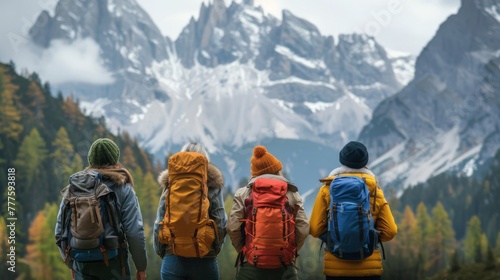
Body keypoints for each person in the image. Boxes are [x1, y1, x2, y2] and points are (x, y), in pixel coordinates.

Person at [55, 138, 148, 280]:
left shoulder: (74, 188)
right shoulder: (123, 188)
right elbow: (134, 232)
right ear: (114, 158)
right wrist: (141, 267)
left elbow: (60, 231)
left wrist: (70, 263)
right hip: (114, 263)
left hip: (81, 262)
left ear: (91, 159)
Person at [310, 141, 398, 280]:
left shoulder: (327, 189)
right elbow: (390, 231)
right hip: (368, 267)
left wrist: (336, 238)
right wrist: (368, 238)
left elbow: (315, 229)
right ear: (365, 162)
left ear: (341, 160)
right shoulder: (375, 190)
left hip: (336, 267)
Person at [227, 145, 310, 280]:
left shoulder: (243, 193)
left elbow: (232, 228)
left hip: (251, 266)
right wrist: (290, 253)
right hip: (285, 266)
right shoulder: (292, 193)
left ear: (255, 172)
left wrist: (246, 252)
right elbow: (304, 228)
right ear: (277, 170)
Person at [153, 142, 227, 280]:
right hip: (204, 259)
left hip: (173, 258)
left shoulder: (171, 182)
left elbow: (159, 222)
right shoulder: (212, 184)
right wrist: (213, 250)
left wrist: (163, 252)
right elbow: (221, 222)